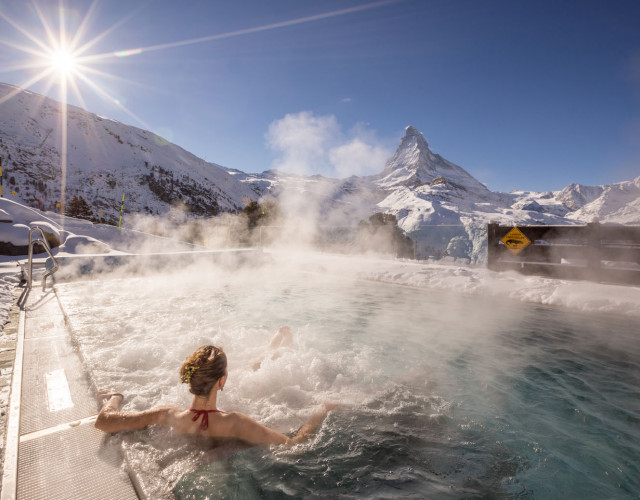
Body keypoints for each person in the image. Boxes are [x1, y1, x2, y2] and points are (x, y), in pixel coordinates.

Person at [95, 327, 336, 447]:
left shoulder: (166, 415)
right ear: (222, 381)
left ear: (190, 379)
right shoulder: (236, 422)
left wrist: (116, 396)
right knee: (255, 367)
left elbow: (104, 421)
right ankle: (275, 348)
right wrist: (321, 412)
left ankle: (271, 349)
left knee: (255, 365)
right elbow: (293, 446)